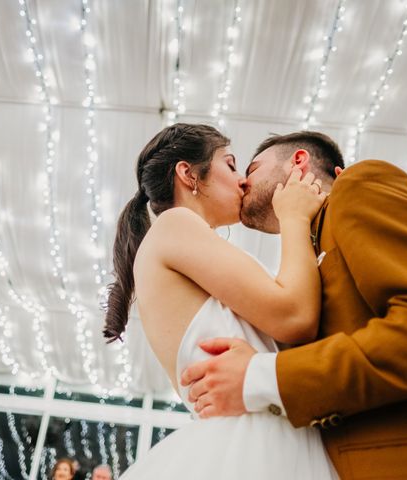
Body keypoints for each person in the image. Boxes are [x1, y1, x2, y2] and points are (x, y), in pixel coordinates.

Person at [181, 131, 407, 478]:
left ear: (298, 161)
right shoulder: (300, 259)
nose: (242, 182)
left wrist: (261, 375)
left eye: (252, 169)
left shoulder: (359, 186)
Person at [104, 123, 337, 478]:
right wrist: (293, 218)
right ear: (188, 174)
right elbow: (295, 317)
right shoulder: (175, 225)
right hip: (253, 446)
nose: (243, 180)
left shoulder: (179, 242)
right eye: (230, 165)